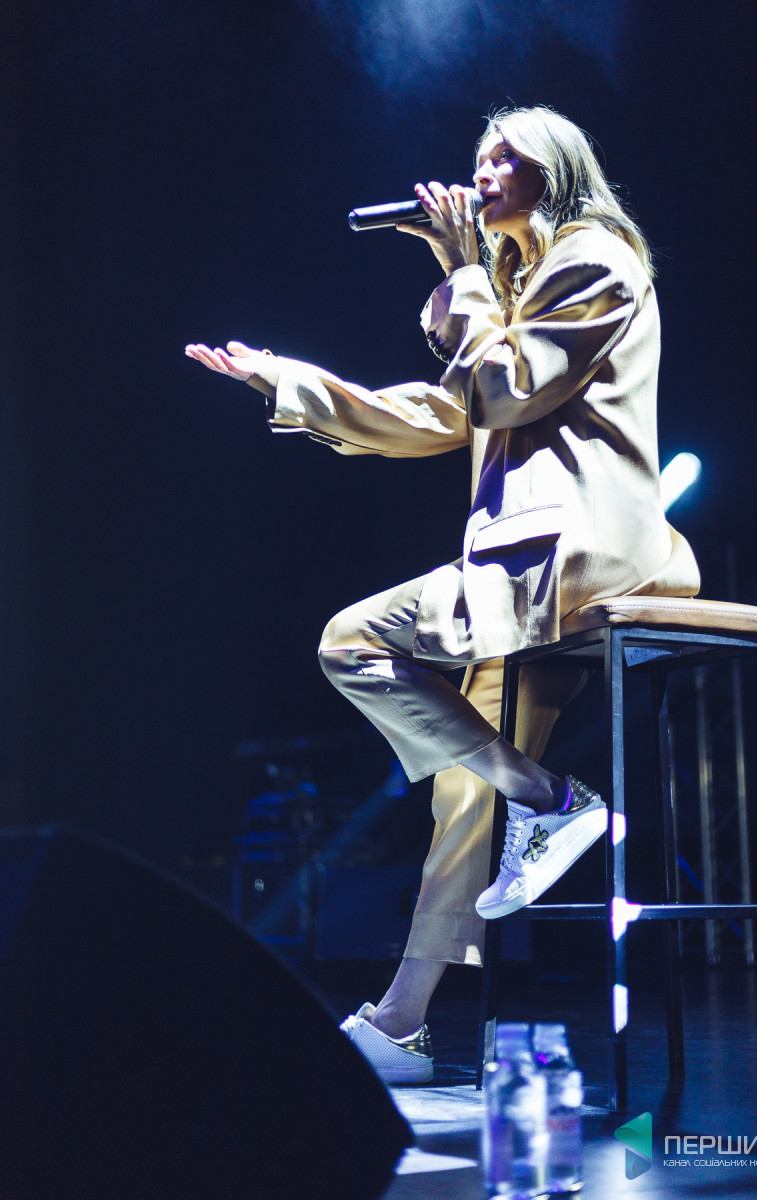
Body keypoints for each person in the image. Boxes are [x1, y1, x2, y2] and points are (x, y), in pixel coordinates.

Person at [185, 105, 700, 1085]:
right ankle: (403, 1024)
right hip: (527, 558)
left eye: (506, 156)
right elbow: (444, 410)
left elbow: (498, 389)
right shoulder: (523, 290)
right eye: (479, 158)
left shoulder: (596, 258)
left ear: (556, 171)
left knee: (354, 642)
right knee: (467, 785)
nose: (483, 171)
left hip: (585, 551)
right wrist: (288, 381)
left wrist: (462, 270)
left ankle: (551, 799)